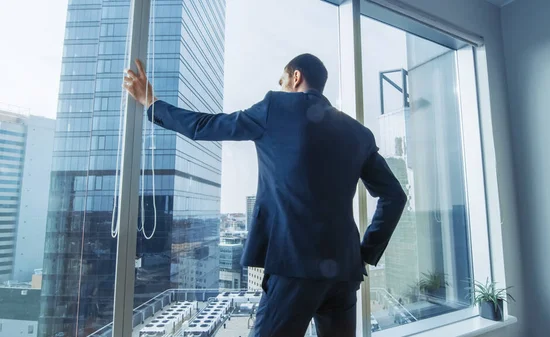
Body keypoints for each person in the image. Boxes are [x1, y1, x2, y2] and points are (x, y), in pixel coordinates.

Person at [124, 54, 407, 337]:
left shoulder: (275, 107)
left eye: (283, 80)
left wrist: (152, 104)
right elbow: (394, 196)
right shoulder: (358, 132)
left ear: (296, 77)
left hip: (293, 267)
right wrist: (365, 253)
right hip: (344, 272)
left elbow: (207, 125)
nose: (282, 86)